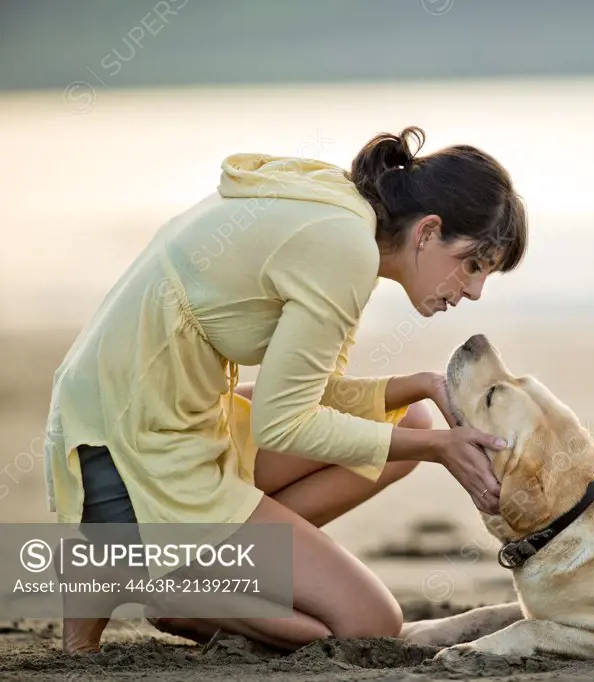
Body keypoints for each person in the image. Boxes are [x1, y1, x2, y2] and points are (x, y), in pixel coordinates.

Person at [43, 126, 528, 653]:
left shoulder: (342, 214)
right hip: (136, 452)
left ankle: (216, 563)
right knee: (368, 624)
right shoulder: (343, 249)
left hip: (139, 412)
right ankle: (177, 585)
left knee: (409, 416)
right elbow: (283, 422)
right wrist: (436, 450)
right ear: (428, 231)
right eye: (473, 264)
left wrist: (419, 385)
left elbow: (298, 395)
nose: (474, 290)